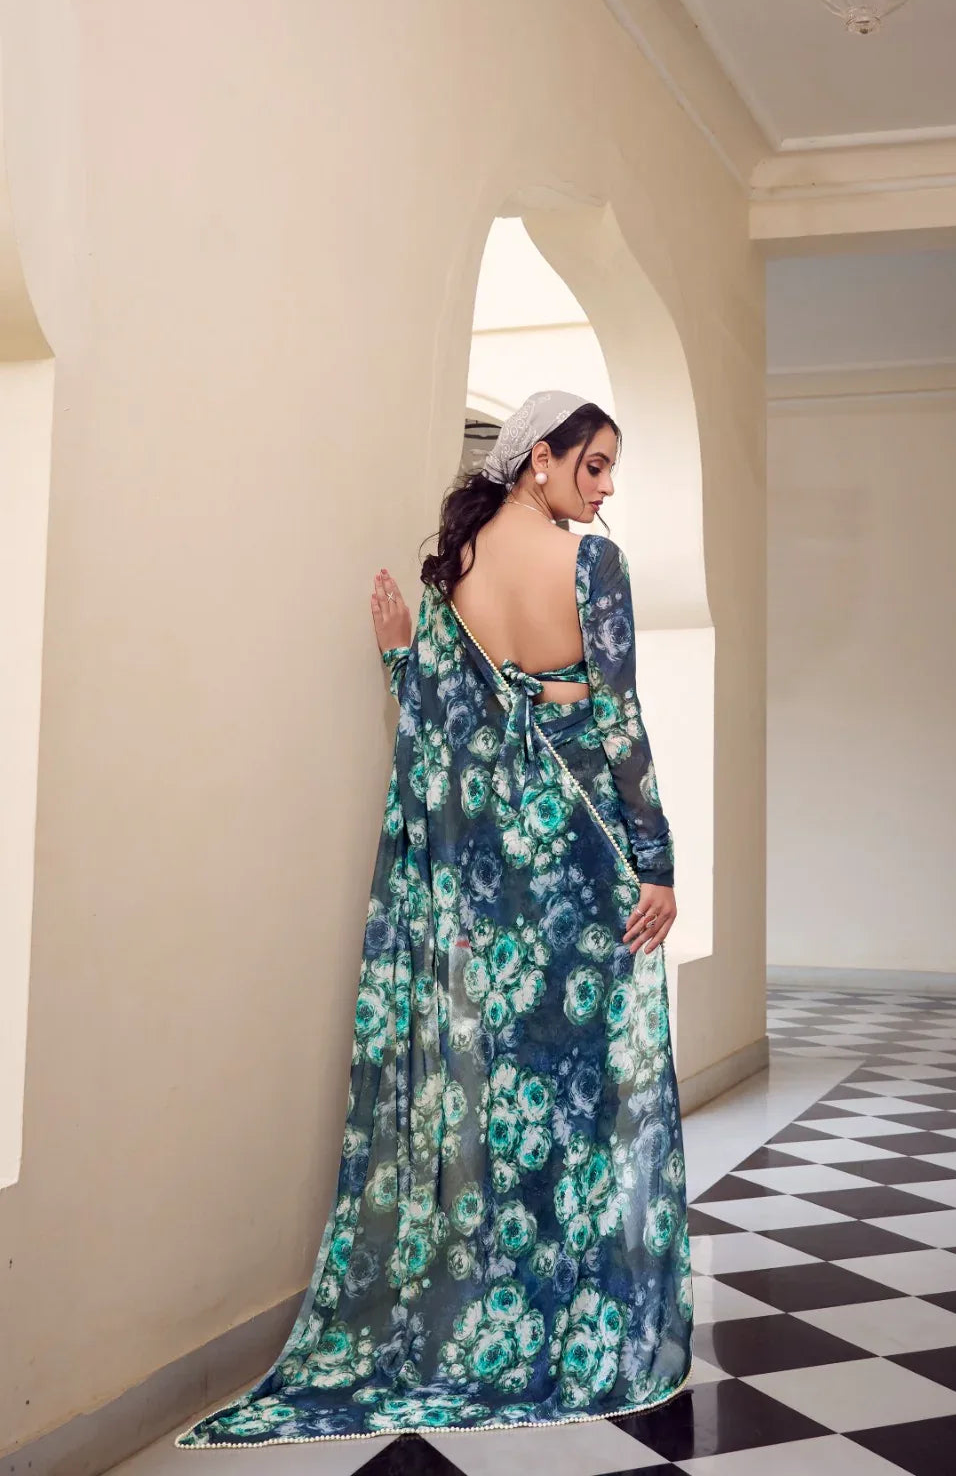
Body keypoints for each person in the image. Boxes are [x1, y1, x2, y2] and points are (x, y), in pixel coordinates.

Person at [175, 391, 691, 1450]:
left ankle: (484, 1316)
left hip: (486, 881)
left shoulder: (447, 580)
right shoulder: (593, 567)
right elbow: (621, 721)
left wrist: (400, 657)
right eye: (591, 465)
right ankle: (575, 1318)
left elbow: (438, 733)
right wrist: (657, 863)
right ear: (536, 461)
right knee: (589, 1092)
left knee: (497, 1086)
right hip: (581, 858)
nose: (604, 488)